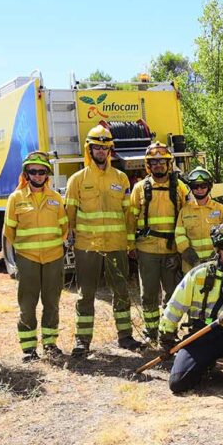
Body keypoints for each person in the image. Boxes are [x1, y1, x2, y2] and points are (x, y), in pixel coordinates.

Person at [160, 219, 223, 392]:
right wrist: (167, 332)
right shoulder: (198, 274)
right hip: (202, 333)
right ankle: (205, 363)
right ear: (217, 249)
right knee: (178, 384)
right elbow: (176, 304)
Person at [65, 123, 141, 354]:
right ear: (89, 149)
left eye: (104, 147)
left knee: (121, 291)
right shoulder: (77, 179)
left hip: (116, 245)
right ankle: (83, 340)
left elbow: (129, 214)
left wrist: (130, 243)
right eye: (96, 147)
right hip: (87, 246)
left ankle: (125, 336)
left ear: (110, 150)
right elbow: (69, 216)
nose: (100, 151)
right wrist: (69, 238)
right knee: (86, 294)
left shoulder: (122, 178)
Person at [3, 151, 69, 361]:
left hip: (53, 258)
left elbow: (64, 228)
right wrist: (22, 254)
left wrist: (55, 250)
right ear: (26, 173)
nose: (38, 175)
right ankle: (29, 349)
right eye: (33, 171)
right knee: (27, 304)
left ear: (47, 175)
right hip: (28, 259)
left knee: (52, 302)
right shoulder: (16, 199)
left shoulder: (56, 198)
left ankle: (50, 344)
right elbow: (9, 232)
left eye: (42, 172)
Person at [129, 142, 189, 341]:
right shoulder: (140, 188)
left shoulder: (179, 187)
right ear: (148, 166)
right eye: (153, 162)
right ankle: (150, 331)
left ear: (168, 164)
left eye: (162, 162)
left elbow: (187, 217)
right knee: (149, 294)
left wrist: (182, 252)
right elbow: (131, 218)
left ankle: (167, 331)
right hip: (147, 249)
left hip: (172, 250)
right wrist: (130, 245)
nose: (158, 166)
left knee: (172, 294)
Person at [175, 167, 223, 273]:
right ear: (191, 187)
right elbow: (179, 236)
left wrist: (216, 256)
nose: (199, 189)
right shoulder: (184, 211)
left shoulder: (220, 209)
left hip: (216, 264)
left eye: (203, 186)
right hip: (191, 267)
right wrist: (193, 259)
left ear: (209, 187)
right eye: (195, 186)